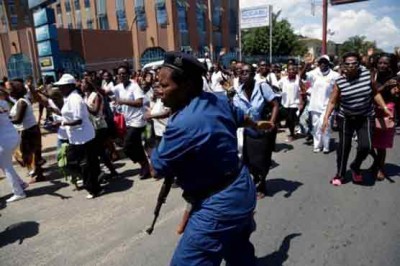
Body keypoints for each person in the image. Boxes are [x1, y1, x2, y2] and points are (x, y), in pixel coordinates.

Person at [151, 52, 274, 265]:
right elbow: (240, 117)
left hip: (218, 205)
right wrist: (255, 124)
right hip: (240, 187)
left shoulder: (183, 124)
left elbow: (156, 169)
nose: (158, 90)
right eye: (157, 84)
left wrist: (153, 145)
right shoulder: (215, 99)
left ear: (187, 86)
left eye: (164, 85)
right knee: (238, 251)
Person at [322, 52, 392, 186]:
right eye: (347, 64)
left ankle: (355, 166)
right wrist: (326, 118)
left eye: (354, 63)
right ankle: (340, 174)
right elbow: (332, 101)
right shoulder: (340, 82)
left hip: (365, 116)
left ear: (358, 64)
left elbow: (375, 92)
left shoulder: (366, 76)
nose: (351, 66)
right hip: (346, 117)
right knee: (344, 147)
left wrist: (384, 107)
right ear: (343, 65)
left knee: (367, 146)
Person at [233, 63, 279, 199]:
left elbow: (275, 104)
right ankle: (252, 182)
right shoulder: (237, 92)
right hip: (245, 132)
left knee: (262, 160)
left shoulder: (262, 86)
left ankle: (262, 184)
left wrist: (271, 122)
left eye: (247, 72)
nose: (243, 74)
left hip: (262, 131)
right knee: (246, 161)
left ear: (253, 74)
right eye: (241, 72)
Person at [53, 74, 102, 198]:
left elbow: (78, 120)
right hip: (76, 137)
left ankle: (93, 188)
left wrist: (61, 122)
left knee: (85, 164)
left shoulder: (75, 98)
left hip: (83, 137)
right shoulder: (69, 98)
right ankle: (93, 181)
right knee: (76, 161)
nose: (60, 89)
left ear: (69, 86)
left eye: (62, 87)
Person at [112, 65, 151, 179]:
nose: (122, 75)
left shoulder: (134, 86)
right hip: (128, 121)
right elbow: (105, 92)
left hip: (138, 120)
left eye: (124, 73)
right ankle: (145, 167)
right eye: (120, 73)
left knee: (127, 146)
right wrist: (93, 84)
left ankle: (144, 165)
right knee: (137, 146)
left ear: (128, 74)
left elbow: (139, 103)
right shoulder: (118, 87)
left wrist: (123, 101)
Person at [8, 80, 45, 183]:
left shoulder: (22, 102)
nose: (9, 91)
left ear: (16, 91)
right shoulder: (21, 100)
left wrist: (6, 119)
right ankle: (37, 172)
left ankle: (36, 174)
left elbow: (18, 119)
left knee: (26, 154)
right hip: (29, 130)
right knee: (31, 154)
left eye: (10, 89)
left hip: (28, 131)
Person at [370, 54, 399, 180]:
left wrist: (395, 91)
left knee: (381, 144)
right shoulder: (373, 75)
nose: (382, 65)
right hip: (371, 109)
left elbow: (395, 94)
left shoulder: (394, 78)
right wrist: (385, 85)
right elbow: (374, 91)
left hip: (386, 110)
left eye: (385, 63)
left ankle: (381, 168)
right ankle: (376, 162)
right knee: (368, 143)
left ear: (390, 65)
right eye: (380, 62)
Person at [306, 55, 340, 153]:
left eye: (325, 62)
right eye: (321, 62)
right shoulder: (314, 73)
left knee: (326, 125)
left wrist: (337, 104)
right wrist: (307, 64)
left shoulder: (335, 75)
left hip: (328, 106)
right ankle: (317, 145)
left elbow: (338, 90)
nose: (323, 64)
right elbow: (303, 76)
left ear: (328, 64)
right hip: (315, 105)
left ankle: (326, 146)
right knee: (316, 126)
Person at [0, 89, 28, 202]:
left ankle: (18, 192)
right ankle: (21, 183)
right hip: (12, 135)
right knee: (3, 164)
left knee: (6, 167)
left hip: (4, 140)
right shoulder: (3, 102)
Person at [278, 64, 302, 142]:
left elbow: (303, 89)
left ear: (296, 71)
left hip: (294, 103)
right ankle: (292, 131)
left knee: (291, 118)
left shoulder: (298, 79)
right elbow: (277, 86)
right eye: (290, 69)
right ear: (287, 71)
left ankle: (292, 134)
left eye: (293, 69)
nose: (291, 71)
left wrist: (301, 100)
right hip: (285, 103)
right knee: (288, 119)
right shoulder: (283, 79)